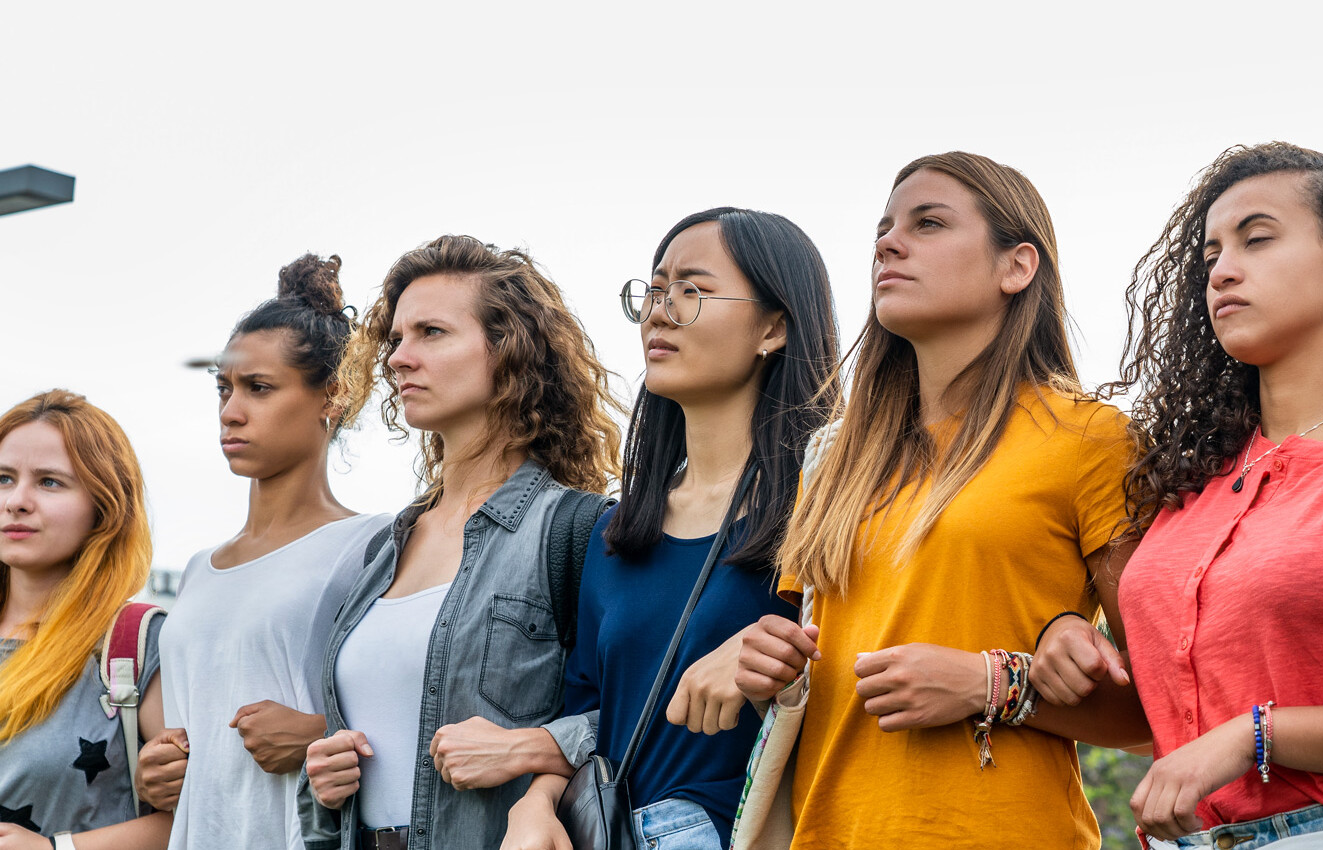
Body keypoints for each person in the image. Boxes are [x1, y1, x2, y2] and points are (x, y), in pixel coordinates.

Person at [1037, 143, 1323, 849]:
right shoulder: (1184, 489)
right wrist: (1064, 646)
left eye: (1257, 240)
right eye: (1210, 258)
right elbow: (1159, 714)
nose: (1223, 271)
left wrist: (1253, 737)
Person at [733, 151, 1144, 848]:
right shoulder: (834, 457)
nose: (888, 244)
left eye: (929, 223)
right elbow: (821, 663)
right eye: (884, 230)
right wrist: (766, 665)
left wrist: (992, 684)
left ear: (1018, 266)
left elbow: (1163, 710)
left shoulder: (1092, 439)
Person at [498, 207, 840, 850]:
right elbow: (587, 713)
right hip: (613, 828)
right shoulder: (615, 531)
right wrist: (535, 806)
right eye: (655, 290)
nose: (660, 311)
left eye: (693, 291)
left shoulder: (828, 510)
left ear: (774, 327)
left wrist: (767, 653)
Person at [299, 236, 622, 850]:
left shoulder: (578, 531)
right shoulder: (383, 548)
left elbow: (636, 716)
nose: (398, 358)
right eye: (395, 339)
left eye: (432, 333)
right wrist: (325, 779)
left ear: (511, 353)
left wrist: (529, 747)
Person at [135, 255, 392, 850]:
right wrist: (157, 767)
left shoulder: (374, 545)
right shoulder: (200, 570)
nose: (230, 411)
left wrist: (317, 733)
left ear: (334, 396)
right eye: (224, 389)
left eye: (259, 388)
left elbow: (423, 703)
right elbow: (190, 733)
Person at [0, 390, 171, 849]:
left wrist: (57, 849)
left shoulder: (136, 643)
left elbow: (203, 813)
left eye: (49, 482)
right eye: (3, 478)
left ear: (104, 508)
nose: (16, 500)